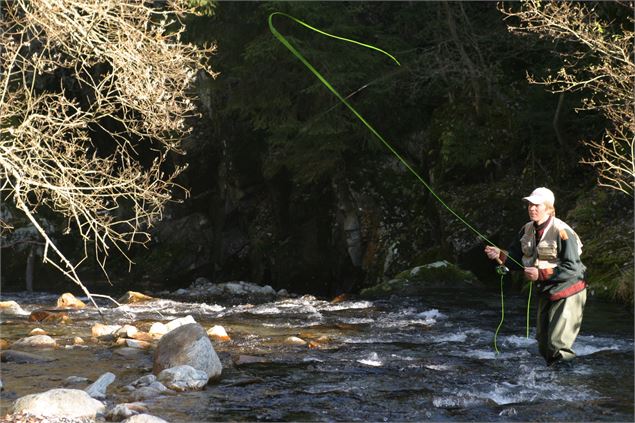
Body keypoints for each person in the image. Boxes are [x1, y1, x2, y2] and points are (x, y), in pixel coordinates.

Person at [484, 187, 587, 366]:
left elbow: (575, 269)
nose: (532, 208)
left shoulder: (562, 231)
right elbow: (516, 259)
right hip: (547, 291)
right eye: (530, 205)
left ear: (548, 208)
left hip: (569, 292)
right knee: (543, 343)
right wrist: (499, 254)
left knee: (558, 346)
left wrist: (541, 273)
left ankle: (566, 387)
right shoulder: (527, 229)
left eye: (537, 205)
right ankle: (552, 384)